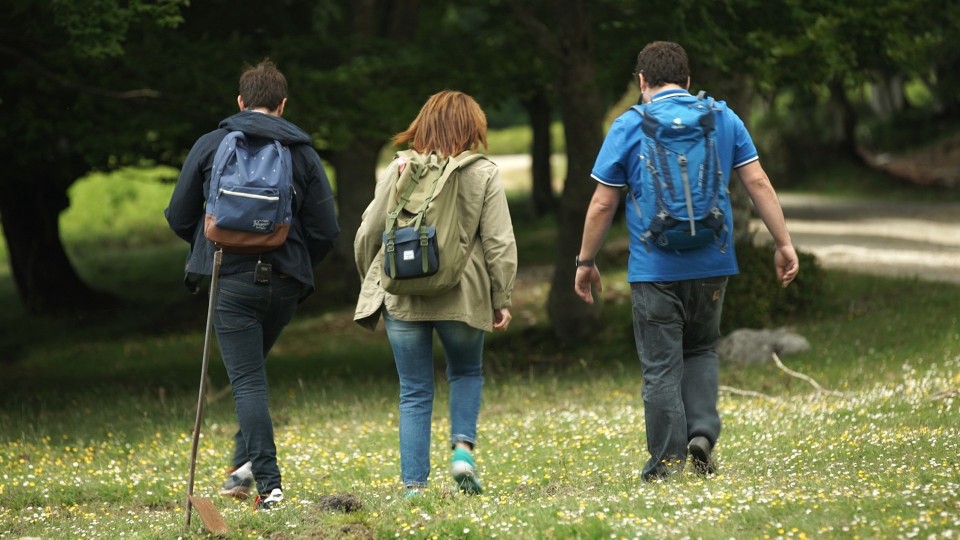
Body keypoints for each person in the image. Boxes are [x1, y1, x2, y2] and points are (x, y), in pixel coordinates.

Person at [574, 41, 799, 481]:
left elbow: (602, 205)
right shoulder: (722, 118)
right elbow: (757, 181)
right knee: (700, 348)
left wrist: (585, 260)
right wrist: (783, 242)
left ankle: (667, 464)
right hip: (712, 264)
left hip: (654, 268)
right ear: (689, 80)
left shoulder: (628, 125)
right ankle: (701, 434)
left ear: (642, 82)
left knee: (661, 366)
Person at [165, 60, 340, 509]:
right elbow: (325, 229)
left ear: (240, 102)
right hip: (283, 282)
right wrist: (298, 263)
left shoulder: (212, 144)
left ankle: (269, 484)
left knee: (246, 381)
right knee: (252, 373)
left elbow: (178, 215)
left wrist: (212, 246)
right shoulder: (301, 151)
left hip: (230, 279)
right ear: (282, 105)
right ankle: (242, 468)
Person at [354, 90, 517, 496]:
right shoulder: (483, 172)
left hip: (404, 297)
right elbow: (499, 242)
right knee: (465, 372)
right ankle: (462, 451)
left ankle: (414, 487)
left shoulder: (399, 169)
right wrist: (502, 297)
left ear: (423, 124)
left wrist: (374, 279)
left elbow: (368, 233)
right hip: (463, 297)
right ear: (472, 128)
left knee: (413, 390)